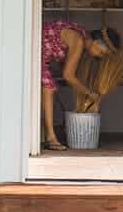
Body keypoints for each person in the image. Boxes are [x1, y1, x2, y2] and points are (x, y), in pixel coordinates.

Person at [40, 18, 111, 151]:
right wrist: (90, 94)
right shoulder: (78, 41)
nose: (100, 56)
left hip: (41, 53)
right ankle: (50, 138)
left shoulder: (81, 34)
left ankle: (47, 134)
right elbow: (68, 76)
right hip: (34, 50)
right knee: (49, 87)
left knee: (51, 86)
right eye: (101, 52)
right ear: (95, 42)